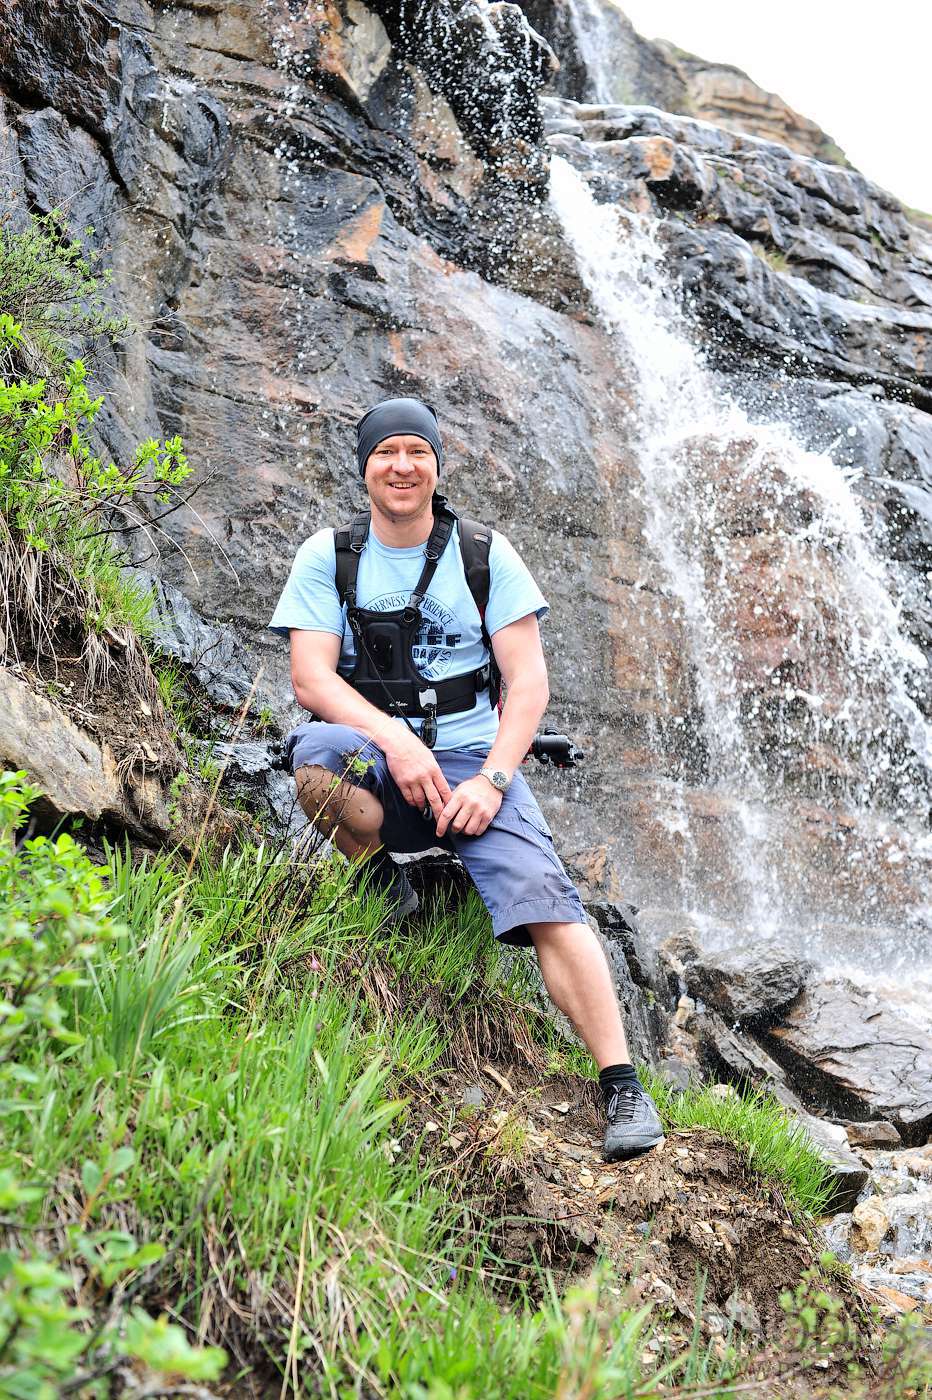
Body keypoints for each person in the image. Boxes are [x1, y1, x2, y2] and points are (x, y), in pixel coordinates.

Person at [269, 396, 663, 1162]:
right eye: (387, 453)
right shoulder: (330, 555)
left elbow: (530, 684)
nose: (402, 466)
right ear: (365, 469)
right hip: (381, 760)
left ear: (438, 465)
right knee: (316, 763)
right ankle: (379, 873)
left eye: (417, 451)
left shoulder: (484, 553)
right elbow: (311, 679)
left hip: (475, 766)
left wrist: (493, 779)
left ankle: (621, 1084)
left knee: (550, 908)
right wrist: (396, 743)